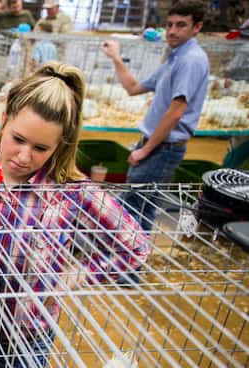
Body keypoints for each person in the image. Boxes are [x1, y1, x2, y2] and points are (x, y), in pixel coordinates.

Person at [0, 62, 151, 368]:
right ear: (5, 118)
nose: (24, 156)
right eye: (18, 140)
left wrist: (80, 274)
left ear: (60, 145)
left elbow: (136, 244)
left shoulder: (72, 191)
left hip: (22, 339)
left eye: (40, 148)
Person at [101, 0, 209, 233]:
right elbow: (134, 87)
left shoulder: (191, 60)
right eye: (169, 24)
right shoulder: (175, 58)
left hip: (163, 148)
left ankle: (129, 265)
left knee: (135, 208)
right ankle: (127, 261)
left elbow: (176, 112)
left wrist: (145, 149)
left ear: (197, 27)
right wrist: (116, 58)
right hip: (156, 145)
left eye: (181, 25)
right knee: (139, 206)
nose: (172, 31)